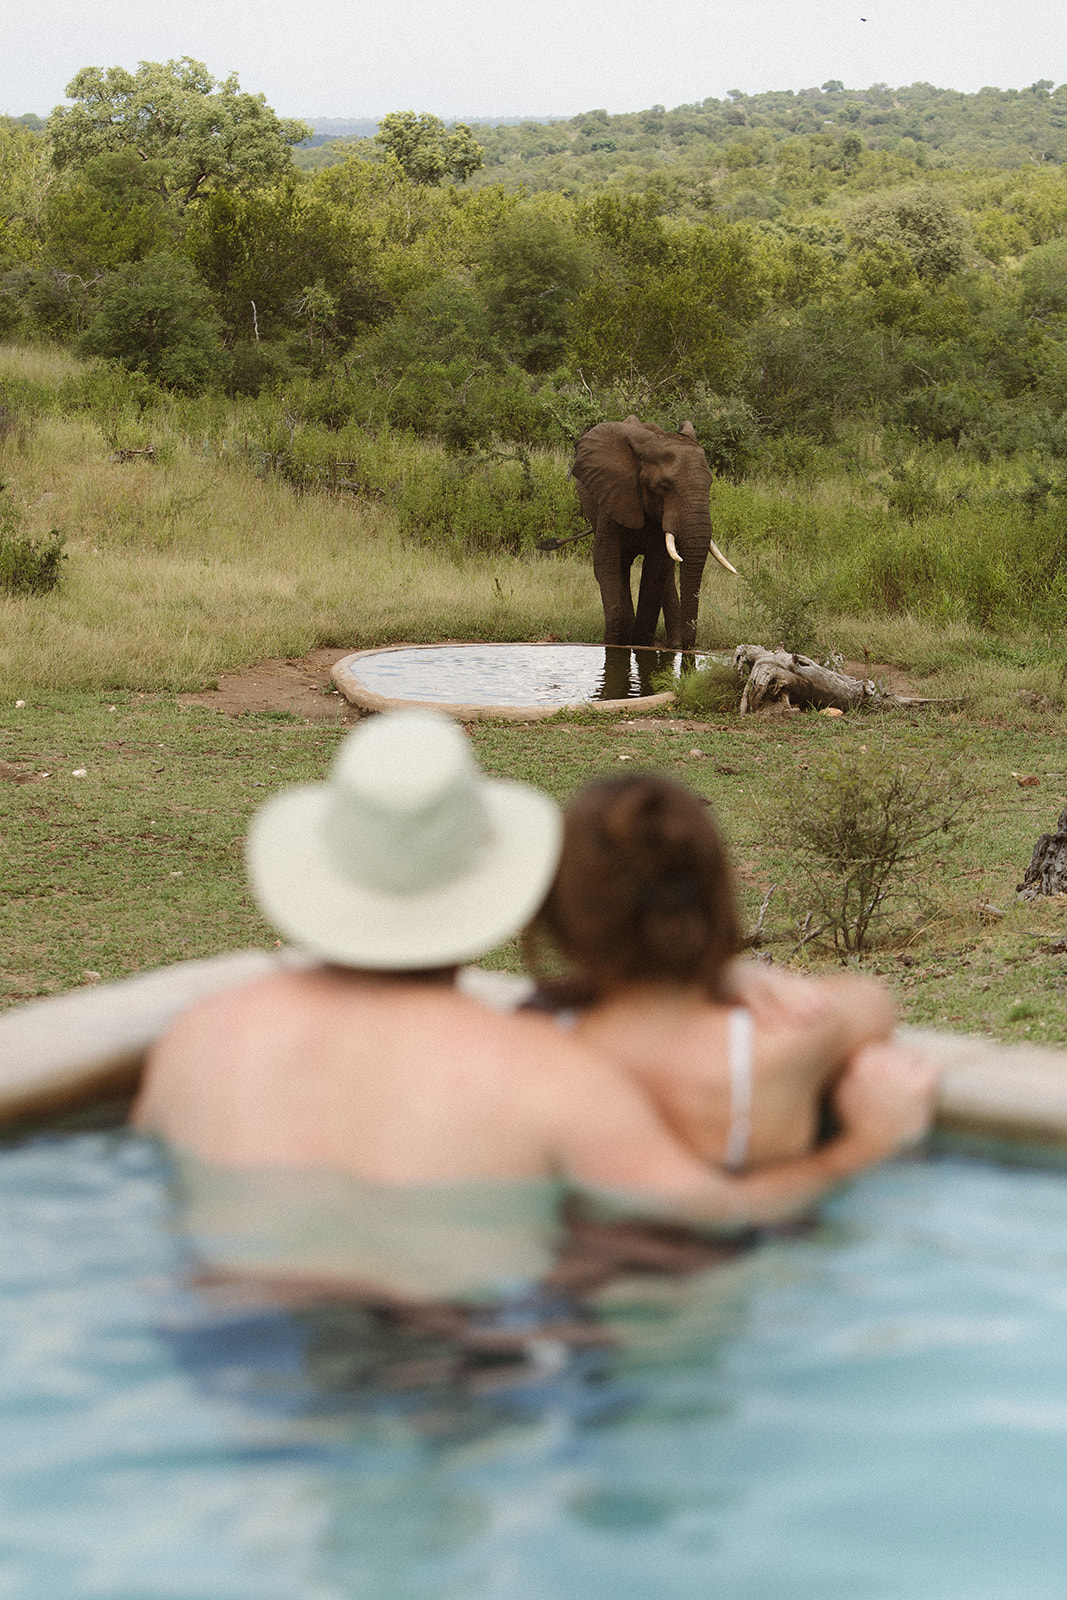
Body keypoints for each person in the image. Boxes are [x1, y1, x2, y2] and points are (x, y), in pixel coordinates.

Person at [133, 712, 936, 1314]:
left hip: (229, 1346)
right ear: (499, 890)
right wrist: (864, 1145)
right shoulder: (545, 1073)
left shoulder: (200, 1036)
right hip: (449, 1363)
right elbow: (716, 1213)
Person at [528, 772, 933, 1179]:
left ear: (563, 915)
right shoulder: (782, 1046)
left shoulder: (536, 1035)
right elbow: (870, 1000)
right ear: (715, 895)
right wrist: (869, 1143)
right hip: (758, 1234)